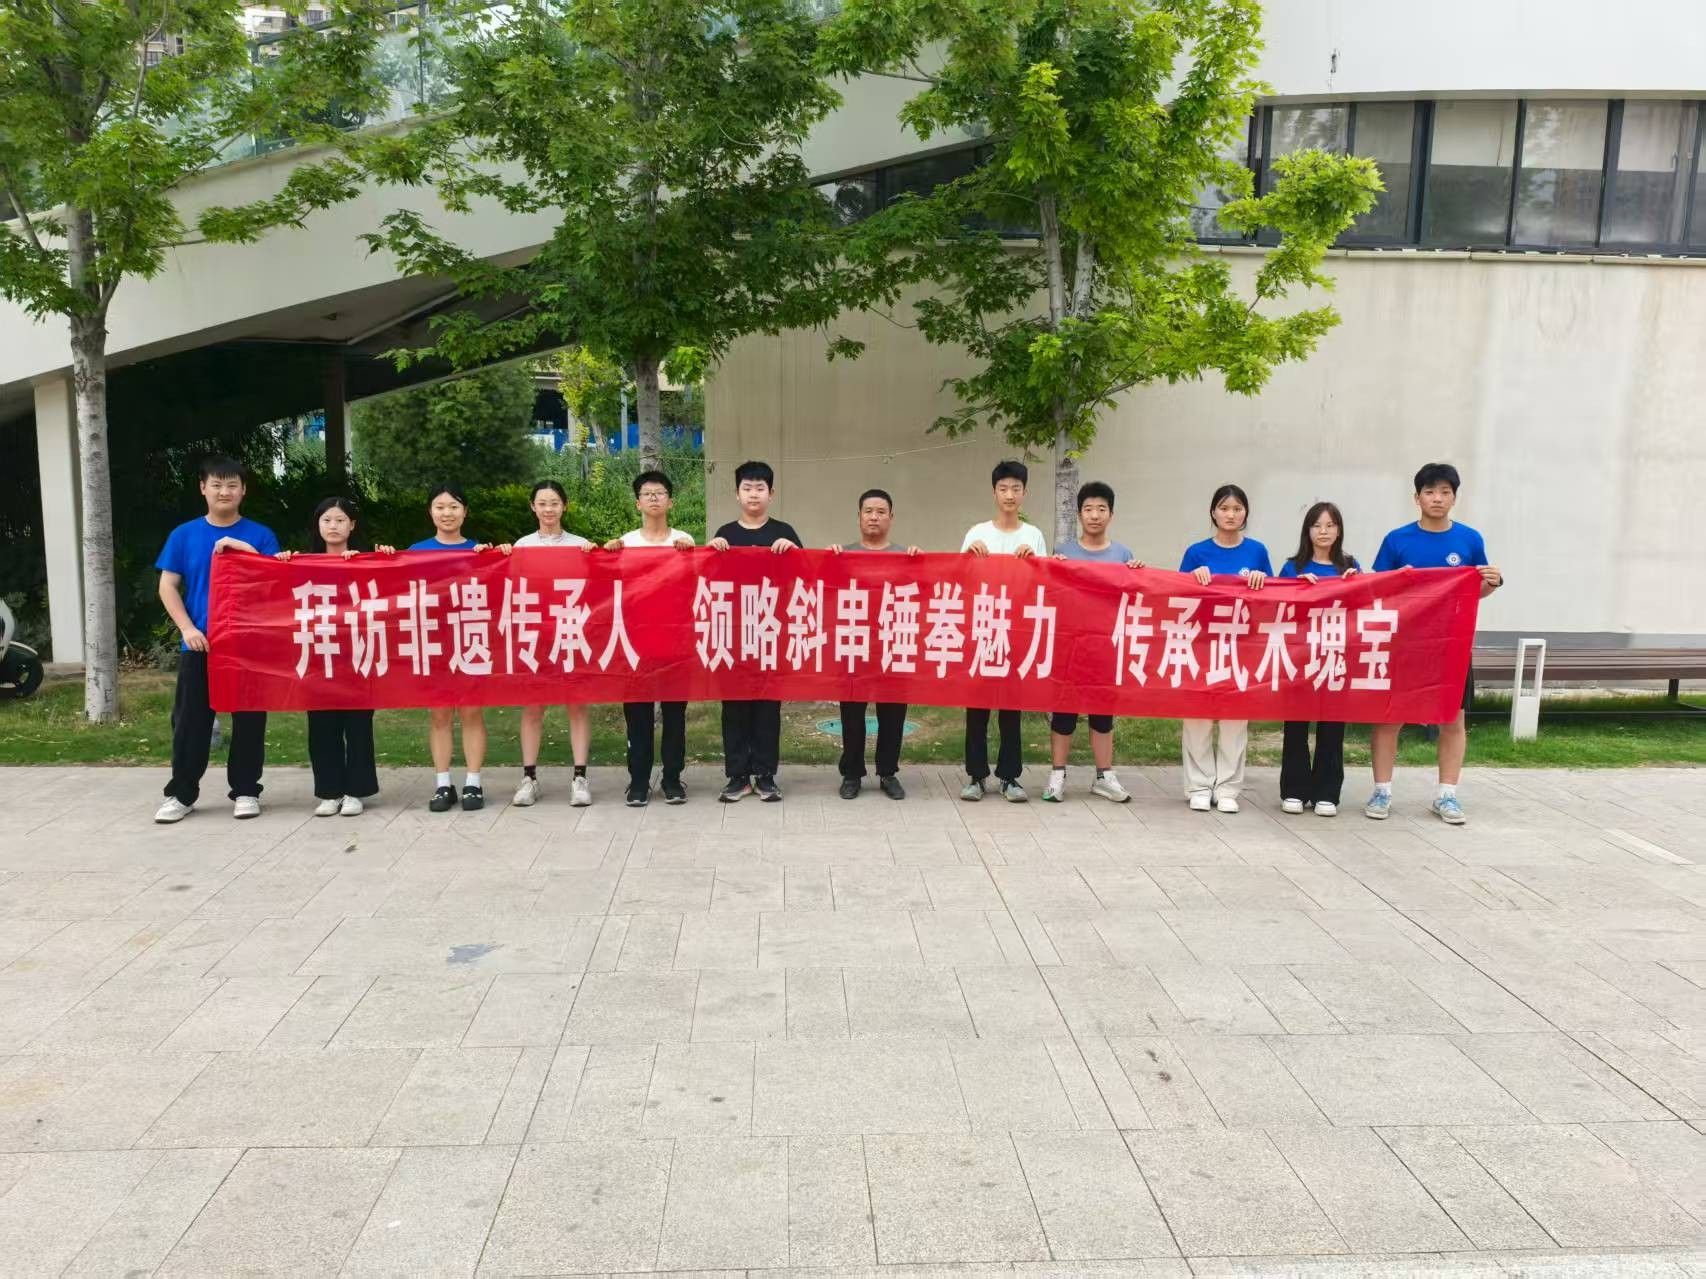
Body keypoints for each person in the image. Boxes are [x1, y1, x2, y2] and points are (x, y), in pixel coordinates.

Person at [1365, 462, 1503, 826]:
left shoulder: (1470, 540)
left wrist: (1491, 582)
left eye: (1444, 492)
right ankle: (1381, 791)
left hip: (1451, 644)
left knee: (1453, 719)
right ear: (1417, 498)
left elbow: (1475, 591)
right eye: (1429, 492)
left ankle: (1447, 795)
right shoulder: (1397, 540)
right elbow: (1378, 589)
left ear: (1455, 498)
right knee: (1390, 717)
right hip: (1405, 644)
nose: (1437, 498)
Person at [153, 456, 280, 823]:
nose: (225, 492)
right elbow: (167, 586)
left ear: (243, 490)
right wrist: (188, 629)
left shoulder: (261, 535)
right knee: (190, 722)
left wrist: (241, 548)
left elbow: (274, 581)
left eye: (232, 485)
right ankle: (181, 793)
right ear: (203, 488)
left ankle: (246, 790)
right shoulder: (183, 535)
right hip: (201, 644)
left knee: (249, 720)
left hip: (248, 644)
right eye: (217, 485)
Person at [276, 497, 395, 817]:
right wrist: (281, 562)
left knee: (358, 725)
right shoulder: (302, 563)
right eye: (327, 520)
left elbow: (391, 591)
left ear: (352, 525)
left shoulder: (366, 561)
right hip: (318, 654)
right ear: (317, 525)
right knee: (321, 725)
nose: (333, 526)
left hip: (357, 654)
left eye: (340, 520)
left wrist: (383, 558)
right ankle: (329, 792)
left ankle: (356, 791)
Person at [708, 460, 801, 802]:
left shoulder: (784, 532)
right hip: (733, 634)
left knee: (767, 708)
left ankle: (765, 775)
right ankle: (737, 776)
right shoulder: (725, 534)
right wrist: (711, 553)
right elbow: (708, 582)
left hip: (770, 632)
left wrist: (794, 553)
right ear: (737, 494)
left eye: (760, 488)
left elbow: (804, 578)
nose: (753, 494)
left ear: (771, 493)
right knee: (734, 707)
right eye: (747, 488)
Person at [1044, 481, 1142, 804]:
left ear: (1111, 514)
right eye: (1088, 509)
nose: (1095, 515)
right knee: (1064, 713)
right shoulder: (1064, 552)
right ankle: (1057, 775)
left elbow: (1133, 597)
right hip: (1070, 645)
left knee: (1102, 713)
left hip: (1105, 646)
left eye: (1101, 509)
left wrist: (1137, 574)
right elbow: (1050, 595)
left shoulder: (1123, 555)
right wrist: (1053, 569)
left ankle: (1104, 776)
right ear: (1079, 514)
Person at [603, 469, 697, 806]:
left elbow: (695, 586)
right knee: (638, 715)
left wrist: (690, 556)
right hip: (636, 642)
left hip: (675, 641)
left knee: (674, 715)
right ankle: (639, 781)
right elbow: (608, 585)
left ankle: (672, 779)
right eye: (647, 494)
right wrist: (607, 554)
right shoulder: (626, 543)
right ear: (637, 503)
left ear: (670, 502)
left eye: (660, 493)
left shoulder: (684, 540)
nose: (654, 498)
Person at [1178, 483, 1271, 814]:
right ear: (1213, 513)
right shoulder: (1196, 552)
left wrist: (1261, 580)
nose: (1231, 515)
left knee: (1235, 718)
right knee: (1198, 717)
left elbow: (1272, 598)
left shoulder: (1257, 552)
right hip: (1203, 644)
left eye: (1237, 509)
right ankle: (1199, 786)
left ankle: (1228, 788)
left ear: (1245, 514)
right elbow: (1179, 596)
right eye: (1224, 508)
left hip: (1240, 645)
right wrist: (1193, 578)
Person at [960, 459, 1047, 803]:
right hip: (983, 629)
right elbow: (960, 580)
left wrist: (1033, 562)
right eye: (1003, 488)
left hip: (1017, 631)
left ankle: (1010, 777)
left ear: (1025, 493)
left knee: (1011, 708)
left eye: (1016, 488)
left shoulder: (1033, 535)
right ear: (994, 493)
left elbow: (1043, 583)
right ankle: (976, 775)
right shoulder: (977, 533)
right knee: (977, 707)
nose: (1009, 495)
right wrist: (970, 558)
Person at [407, 484, 498, 813]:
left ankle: (473, 782)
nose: (447, 513)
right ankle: (442, 783)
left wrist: (498, 556)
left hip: (471, 639)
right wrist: (385, 557)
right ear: (430, 512)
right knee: (440, 714)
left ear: (465, 512)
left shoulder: (480, 551)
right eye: (440, 507)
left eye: (454, 507)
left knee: (472, 711)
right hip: (433, 640)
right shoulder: (414, 552)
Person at [828, 488, 921, 800]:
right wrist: (828, 560)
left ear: (891, 518)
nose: (874, 517)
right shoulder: (843, 554)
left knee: (893, 714)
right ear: (858, 517)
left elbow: (923, 592)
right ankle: (851, 773)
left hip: (892, 644)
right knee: (852, 713)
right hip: (854, 644)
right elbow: (823, 587)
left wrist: (921, 563)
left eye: (881, 512)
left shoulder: (905, 556)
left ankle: (888, 772)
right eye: (868, 511)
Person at [511, 480, 595, 809]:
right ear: (533, 507)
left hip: (571, 632)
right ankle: (529, 777)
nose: (549, 509)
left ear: (565, 506)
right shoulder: (522, 546)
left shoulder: (581, 545)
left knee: (577, 704)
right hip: (534, 635)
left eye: (555, 503)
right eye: (542, 503)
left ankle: (580, 777)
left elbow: (596, 588)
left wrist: (598, 556)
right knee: (533, 706)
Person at [1276, 501, 1358, 818]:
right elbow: (1277, 609)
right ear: (1307, 530)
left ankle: (1327, 792)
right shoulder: (1292, 567)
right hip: (1300, 656)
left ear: (1339, 530)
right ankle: (1294, 789)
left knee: (1332, 725)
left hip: (1336, 654)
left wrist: (1355, 585)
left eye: (1330, 525)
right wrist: (1298, 589)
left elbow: (1364, 608)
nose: (1324, 531)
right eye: (1317, 525)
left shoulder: (1349, 566)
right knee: (1296, 724)